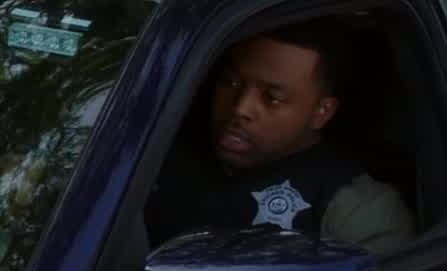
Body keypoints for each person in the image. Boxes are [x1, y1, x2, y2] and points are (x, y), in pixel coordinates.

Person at [146, 22, 417, 256]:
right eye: (231, 82)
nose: (240, 108)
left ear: (321, 112)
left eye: (272, 98)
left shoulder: (354, 209)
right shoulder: (153, 151)